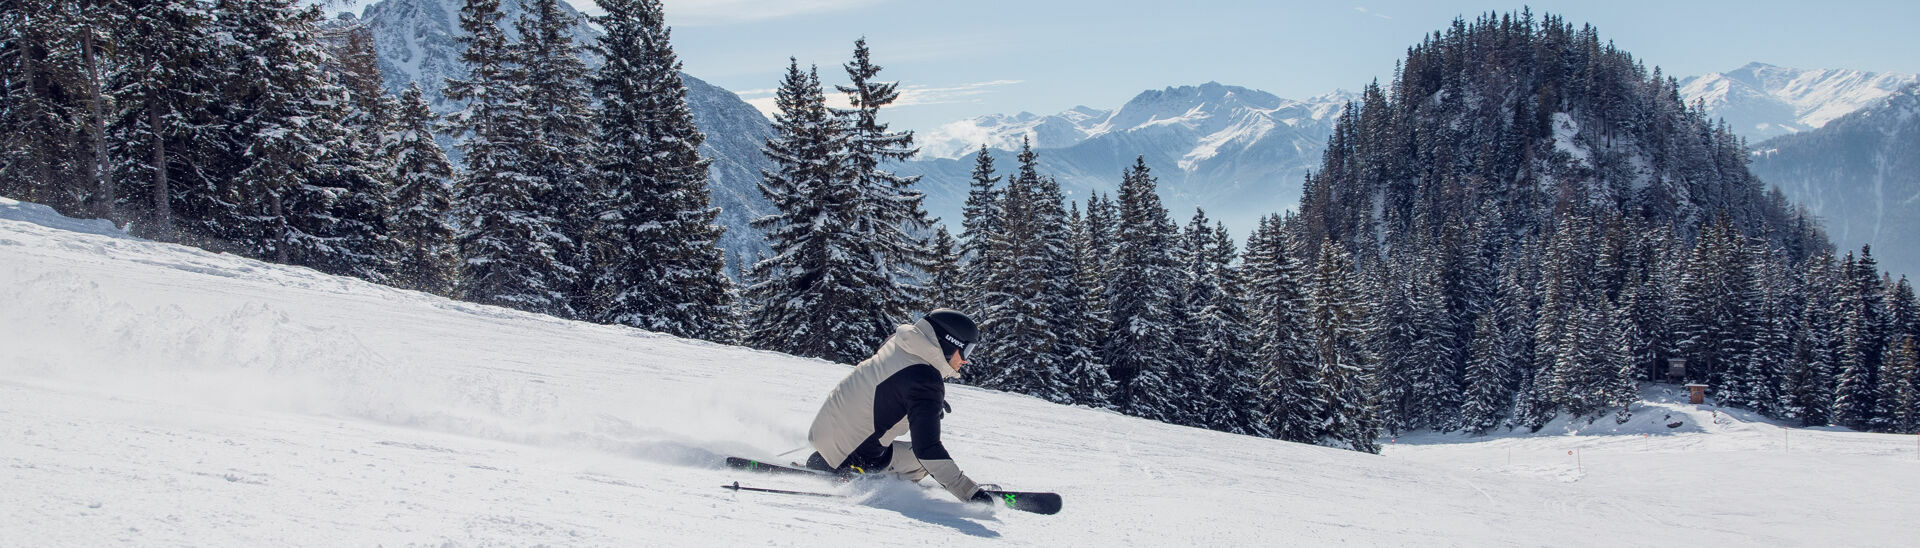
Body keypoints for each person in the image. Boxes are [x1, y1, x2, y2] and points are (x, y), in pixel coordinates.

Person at [804, 308, 991, 502]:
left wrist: (919, 402)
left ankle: (828, 459)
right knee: (921, 463)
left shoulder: (898, 343)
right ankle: (865, 476)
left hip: (822, 435)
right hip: (852, 458)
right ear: (949, 344)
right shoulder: (926, 382)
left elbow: (887, 384)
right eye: (966, 350)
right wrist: (970, 493)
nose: (966, 360)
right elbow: (928, 450)